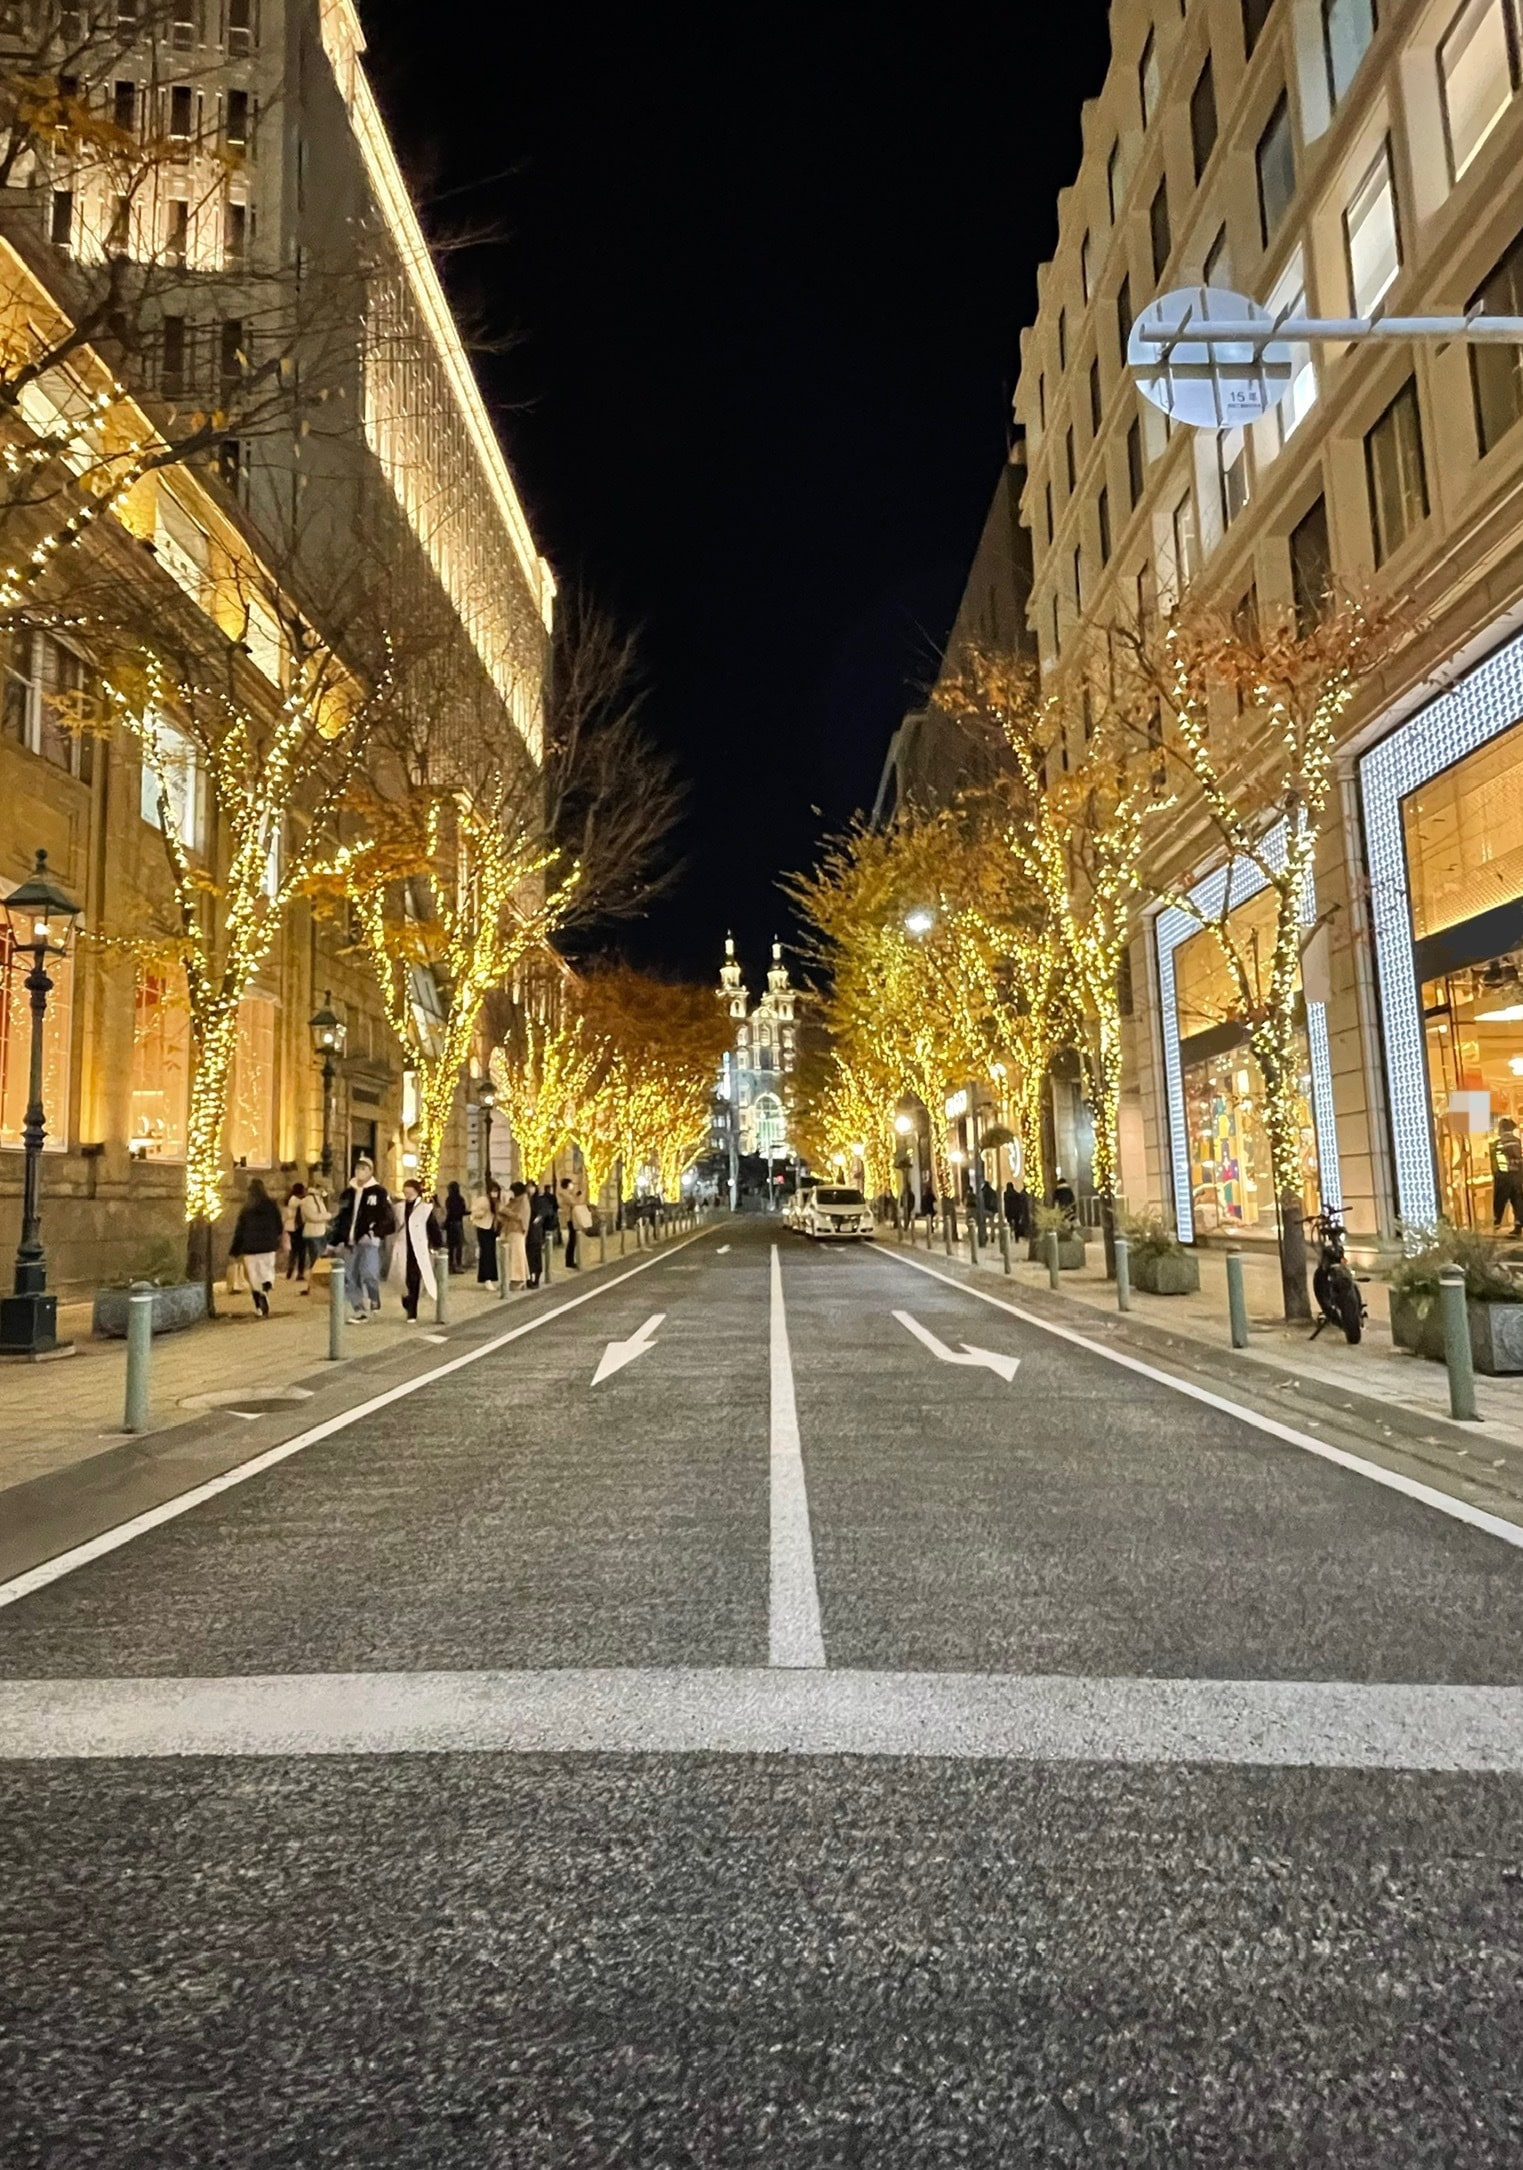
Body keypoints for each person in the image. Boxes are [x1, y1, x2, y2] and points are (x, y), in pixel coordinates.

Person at [331, 1158, 394, 1323]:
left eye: (364, 1169)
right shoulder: (348, 1193)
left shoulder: (379, 1192)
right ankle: (359, 1309)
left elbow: (388, 1218)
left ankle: (374, 1297)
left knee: (369, 1272)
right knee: (350, 1276)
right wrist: (335, 1240)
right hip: (350, 1241)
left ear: (371, 1171)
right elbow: (342, 1218)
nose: (360, 1172)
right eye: (358, 1168)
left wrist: (374, 1231)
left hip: (369, 1240)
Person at [229, 1176, 283, 1318]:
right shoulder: (271, 1205)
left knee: (254, 1277)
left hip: (250, 1247)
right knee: (267, 1272)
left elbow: (240, 1230)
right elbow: (279, 1225)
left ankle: (259, 1306)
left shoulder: (246, 1208)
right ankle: (265, 1290)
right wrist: (275, 1237)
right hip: (268, 1246)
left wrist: (235, 1249)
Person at [397, 1178, 441, 1322]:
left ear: (416, 1192)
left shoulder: (424, 1208)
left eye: (410, 1192)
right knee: (402, 1277)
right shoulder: (399, 1207)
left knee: (413, 1278)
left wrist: (437, 1244)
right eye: (405, 1192)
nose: (407, 1195)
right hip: (403, 1246)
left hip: (417, 1247)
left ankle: (412, 1310)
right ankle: (407, 1301)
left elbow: (432, 1226)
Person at [471, 1180, 503, 1288]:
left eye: (496, 1191)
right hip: (483, 1228)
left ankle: (490, 1277)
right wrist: (482, 1213)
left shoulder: (497, 1201)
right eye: (493, 1191)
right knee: (486, 1253)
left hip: (492, 1229)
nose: (495, 1193)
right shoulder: (483, 1200)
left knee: (491, 1253)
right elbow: (474, 1212)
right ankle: (486, 1278)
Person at [1493, 1117, 1523, 1232]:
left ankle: (1496, 1223)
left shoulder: (1500, 1143)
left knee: (1500, 1201)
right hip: (1516, 1176)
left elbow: (1498, 1162)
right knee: (1517, 1200)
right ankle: (1518, 1224)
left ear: (1501, 1129)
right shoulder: (1517, 1141)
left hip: (1504, 1176)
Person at [297, 1183, 329, 1292]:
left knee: (319, 1261)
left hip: (320, 1232)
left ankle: (314, 1285)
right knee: (315, 1261)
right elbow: (313, 1217)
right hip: (312, 1233)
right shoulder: (307, 1201)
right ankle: (312, 1286)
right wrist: (327, 1216)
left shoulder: (319, 1200)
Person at [503, 1181, 532, 1290]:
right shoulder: (516, 1200)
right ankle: (522, 1278)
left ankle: (518, 1279)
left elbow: (519, 1216)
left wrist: (506, 1211)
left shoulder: (523, 1201)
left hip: (517, 1230)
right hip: (512, 1230)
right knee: (517, 1255)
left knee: (517, 1255)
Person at [560, 1176, 592, 1269]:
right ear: (567, 1185)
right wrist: (577, 1196)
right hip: (570, 1219)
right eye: (571, 1184)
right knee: (572, 1240)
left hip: (571, 1218)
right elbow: (573, 1203)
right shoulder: (565, 1194)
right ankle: (569, 1261)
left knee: (573, 1240)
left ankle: (570, 1260)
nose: (572, 1185)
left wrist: (577, 1194)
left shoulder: (568, 1194)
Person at [282, 1181, 310, 1283]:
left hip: (292, 1227)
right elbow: (303, 1204)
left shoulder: (290, 1199)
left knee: (294, 1250)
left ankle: (291, 1269)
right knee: (301, 1250)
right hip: (298, 1227)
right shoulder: (296, 1200)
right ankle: (299, 1272)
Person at [443, 1181, 468, 1274]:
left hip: (450, 1224)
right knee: (458, 1246)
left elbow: (449, 1212)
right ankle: (458, 1265)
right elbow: (462, 1211)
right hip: (457, 1224)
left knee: (451, 1247)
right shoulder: (460, 1199)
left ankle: (450, 1266)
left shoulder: (448, 1199)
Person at [525, 1185, 547, 1287]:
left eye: (532, 1187)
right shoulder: (525, 1199)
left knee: (536, 1255)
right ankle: (529, 1277)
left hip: (535, 1232)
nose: (530, 1189)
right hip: (527, 1231)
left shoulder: (539, 1200)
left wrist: (537, 1219)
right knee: (529, 1256)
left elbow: (543, 1212)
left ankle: (536, 1278)